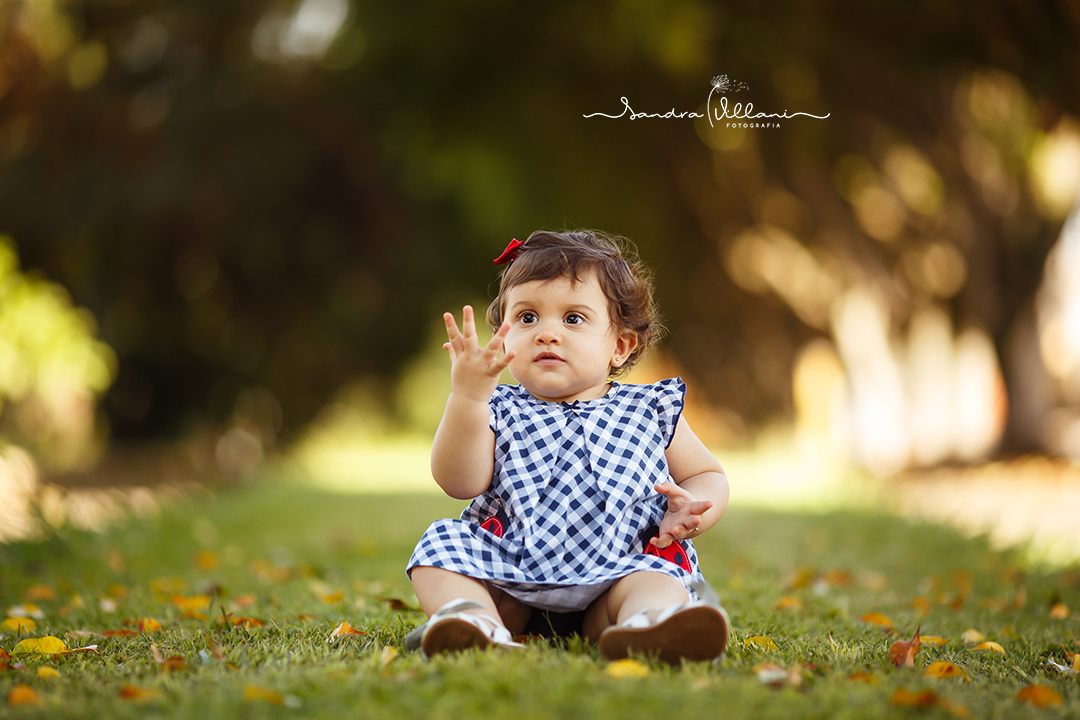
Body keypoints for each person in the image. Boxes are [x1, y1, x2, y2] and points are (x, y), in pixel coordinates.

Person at [405, 230, 730, 664]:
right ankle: (475, 620)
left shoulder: (650, 408)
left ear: (620, 345)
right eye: (526, 318)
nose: (547, 333)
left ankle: (648, 625)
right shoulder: (495, 407)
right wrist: (466, 397)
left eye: (573, 319)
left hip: (617, 570)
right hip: (513, 578)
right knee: (440, 548)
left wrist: (694, 507)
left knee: (655, 580)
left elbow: (707, 474)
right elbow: (458, 482)